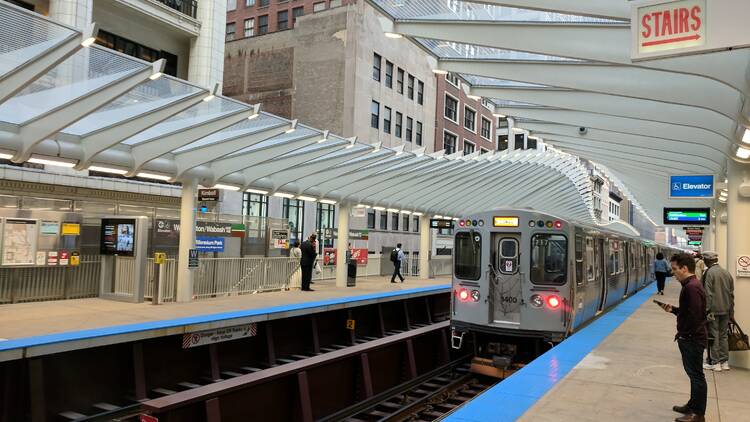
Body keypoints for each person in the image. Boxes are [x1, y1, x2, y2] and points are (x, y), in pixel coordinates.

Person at [658, 253, 707, 422]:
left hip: (692, 339)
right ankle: (692, 405)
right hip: (692, 337)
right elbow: (689, 312)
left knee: (696, 376)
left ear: (685, 268)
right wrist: (673, 310)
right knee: (694, 375)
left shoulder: (691, 288)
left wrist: (685, 335)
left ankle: (697, 414)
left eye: (675, 269)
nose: (673, 272)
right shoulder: (692, 285)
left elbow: (694, 317)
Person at [701, 251, 735, 372]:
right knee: (724, 336)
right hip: (726, 310)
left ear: (708, 260)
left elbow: (708, 294)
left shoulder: (709, 273)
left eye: (704, 259)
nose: (704, 261)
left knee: (713, 336)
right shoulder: (726, 273)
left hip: (713, 311)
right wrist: (732, 312)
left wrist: (705, 310)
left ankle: (715, 363)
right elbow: (731, 295)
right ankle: (724, 362)